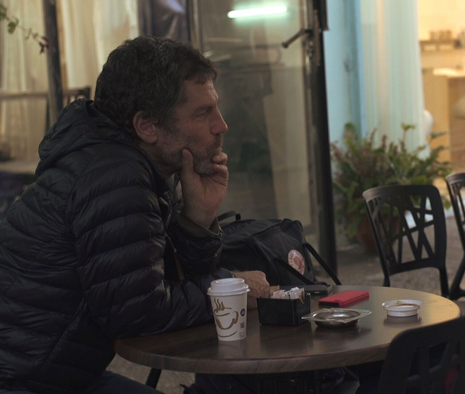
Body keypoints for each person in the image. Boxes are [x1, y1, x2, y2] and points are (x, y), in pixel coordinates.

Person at [0, 36, 269, 394]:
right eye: (203, 113)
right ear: (147, 126)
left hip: (47, 370)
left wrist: (198, 217)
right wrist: (231, 289)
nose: (221, 125)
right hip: (25, 378)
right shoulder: (115, 175)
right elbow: (139, 313)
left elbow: (160, 282)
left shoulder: (127, 160)